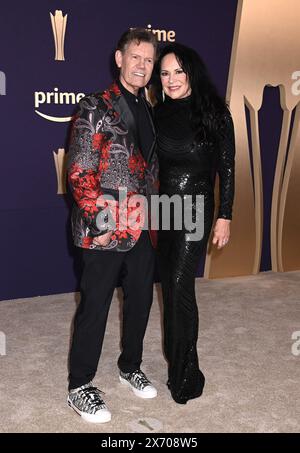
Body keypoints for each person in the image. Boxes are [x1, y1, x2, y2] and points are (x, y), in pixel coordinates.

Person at [67, 28, 159, 423]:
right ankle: (80, 386)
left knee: (140, 300)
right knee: (96, 305)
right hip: (103, 225)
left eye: (149, 60)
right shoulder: (95, 105)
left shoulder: (151, 110)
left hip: (142, 223)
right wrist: (98, 220)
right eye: (135, 57)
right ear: (119, 59)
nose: (142, 66)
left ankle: (130, 366)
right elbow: (80, 170)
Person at [154, 43, 235, 404]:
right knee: (169, 289)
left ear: (192, 73)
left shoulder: (215, 112)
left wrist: (225, 215)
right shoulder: (156, 114)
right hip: (164, 207)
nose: (171, 80)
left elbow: (227, 169)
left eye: (178, 72)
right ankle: (176, 362)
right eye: (165, 73)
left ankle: (187, 372)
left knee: (179, 284)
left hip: (197, 207)